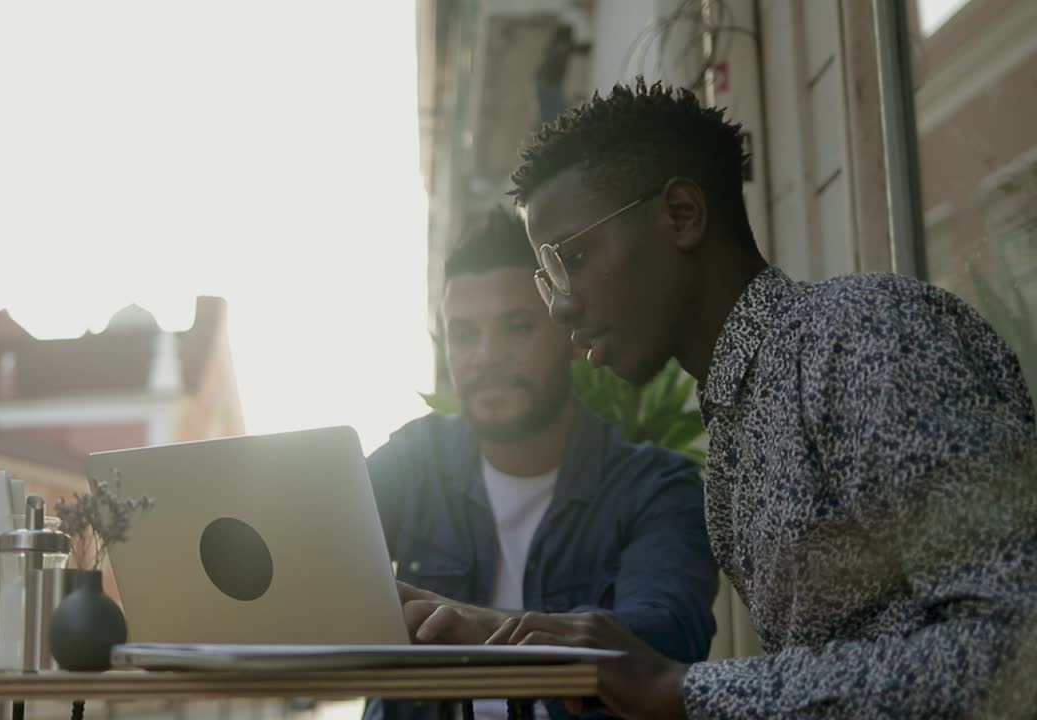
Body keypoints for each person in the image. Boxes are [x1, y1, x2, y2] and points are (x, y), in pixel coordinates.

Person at [411, 78, 1037, 719]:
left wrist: (675, 688)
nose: (562, 304)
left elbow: (1016, 645)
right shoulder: (737, 429)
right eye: (549, 277)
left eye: (574, 255)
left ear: (682, 214)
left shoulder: (864, 333)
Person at [365, 207, 719, 720]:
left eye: (517, 326)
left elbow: (668, 637)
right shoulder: (414, 461)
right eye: (464, 333)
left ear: (571, 336)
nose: (485, 356)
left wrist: (482, 627)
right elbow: (310, 560)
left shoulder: (656, 487)